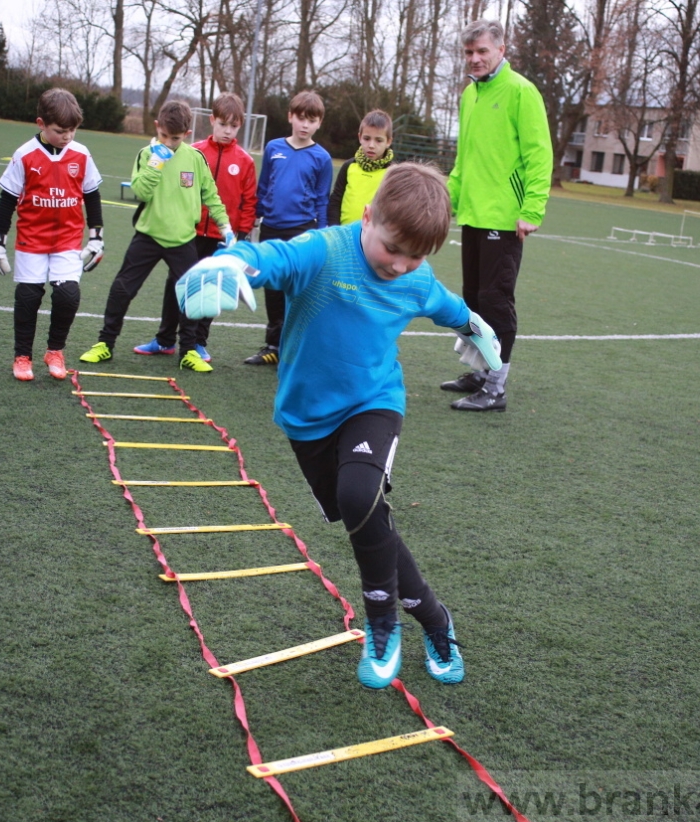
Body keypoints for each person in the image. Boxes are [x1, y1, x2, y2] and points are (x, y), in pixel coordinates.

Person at [173, 163, 501, 689]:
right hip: (307, 419)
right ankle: (437, 619)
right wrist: (231, 260)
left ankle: (382, 627)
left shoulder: (416, 278)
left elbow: (448, 306)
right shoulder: (326, 251)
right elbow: (271, 256)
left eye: (415, 256)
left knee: (359, 494)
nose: (400, 265)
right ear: (368, 217)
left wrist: (476, 329)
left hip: (375, 401)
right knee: (368, 520)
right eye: (392, 247)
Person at [442, 19, 553, 412]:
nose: (474, 59)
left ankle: (496, 388)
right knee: (472, 300)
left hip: (505, 219)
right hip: (473, 214)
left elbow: (539, 155)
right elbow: (464, 160)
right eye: (469, 53)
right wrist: (448, 202)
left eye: (482, 51)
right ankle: (479, 370)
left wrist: (531, 209)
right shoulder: (468, 96)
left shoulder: (522, 91)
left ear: (501, 50)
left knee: (495, 301)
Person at [78, 100, 232, 373]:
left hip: (183, 239)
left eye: (175, 138)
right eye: (164, 136)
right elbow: (141, 191)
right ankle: (105, 344)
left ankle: (187, 351)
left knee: (189, 294)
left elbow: (211, 196)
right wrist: (155, 164)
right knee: (122, 288)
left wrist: (226, 227)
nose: (169, 143)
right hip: (148, 236)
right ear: (157, 127)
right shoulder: (146, 154)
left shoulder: (195, 158)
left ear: (186, 134)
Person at [0, 87, 104, 382]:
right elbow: (7, 199)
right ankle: (22, 356)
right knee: (28, 297)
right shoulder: (25, 155)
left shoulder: (81, 154)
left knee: (67, 295)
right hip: (32, 240)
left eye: (73, 130)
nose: (67, 136)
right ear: (40, 124)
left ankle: (55, 350)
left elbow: (92, 194)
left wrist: (96, 237)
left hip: (67, 240)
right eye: (60, 130)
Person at [159, 91, 257, 364]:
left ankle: (199, 342)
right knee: (175, 283)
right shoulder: (195, 152)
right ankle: (164, 339)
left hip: (222, 238)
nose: (227, 131)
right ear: (212, 120)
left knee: (210, 289)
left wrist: (243, 234)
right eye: (222, 124)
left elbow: (249, 201)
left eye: (233, 126)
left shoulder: (245, 161)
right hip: (188, 233)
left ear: (240, 125)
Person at [243, 90, 332, 366]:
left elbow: (321, 199)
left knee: (299, 290)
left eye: (312, 120)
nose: (305, 125)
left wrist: (323, 234)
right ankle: (273, 345)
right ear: (290, 117)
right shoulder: (273, 148)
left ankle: (297, 348)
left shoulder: (322, 158)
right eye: (301, 118)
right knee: (272, 287)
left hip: (303, 231)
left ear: (319, 123)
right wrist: (252, 220)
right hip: (271, 228)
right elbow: (264, 187)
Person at [327, 109, 394, 227]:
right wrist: (335, 230)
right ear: (360, 137)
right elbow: (335, 201)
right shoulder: (348, 166)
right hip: (343, 235)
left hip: (374, 240)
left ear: (388, 141)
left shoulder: (393, 173)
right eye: (367, 138)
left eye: (378, 140)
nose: (371, 145)